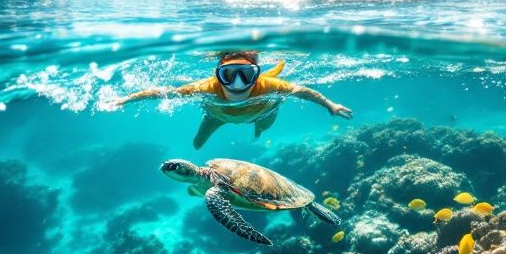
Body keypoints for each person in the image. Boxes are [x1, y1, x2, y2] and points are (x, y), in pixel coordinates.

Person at [115, 51, 353, 149]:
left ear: (256, 75)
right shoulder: (206, 87)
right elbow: (163, 92)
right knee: (198, 142)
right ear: (218, 76)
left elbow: (303, 91)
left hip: (264, 112)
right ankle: (251, 126)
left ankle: (258, 129)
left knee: (262, 127)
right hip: (216, 115)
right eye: (229, 76)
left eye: (246, 75)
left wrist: (330, 105)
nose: (238, 83)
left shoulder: (269, 85)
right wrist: (126, 99)